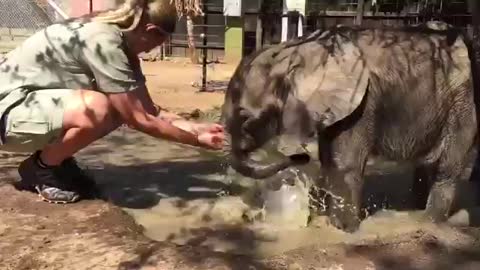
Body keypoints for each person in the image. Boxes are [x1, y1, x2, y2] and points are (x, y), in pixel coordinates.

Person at [0, 0, 225, 204]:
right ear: (150, 30)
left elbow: (148, 110)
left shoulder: (119, 43)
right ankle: (41, 168)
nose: (151, 50)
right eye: (156, 43)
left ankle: (57, 159)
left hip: (30, 108)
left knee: (120, 104)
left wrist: (196, 128)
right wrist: (196, 141)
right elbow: (140, 120)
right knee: (98, 108)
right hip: (9, 112)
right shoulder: (103, 41)